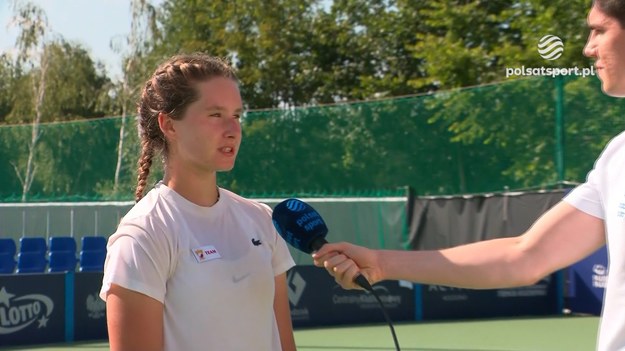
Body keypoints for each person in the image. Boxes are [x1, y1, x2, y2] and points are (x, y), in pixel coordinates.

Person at [312, 1, 625, 350]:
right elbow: (525, 256)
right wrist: (381, 263)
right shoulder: (617, 157)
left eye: (600, 29)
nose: (588, 47)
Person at [99, 53, 297, 351]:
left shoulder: (261, 220)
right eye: (216, 115)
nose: (233, 129)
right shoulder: (142, 236)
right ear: (170, 125)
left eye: (237, 115)